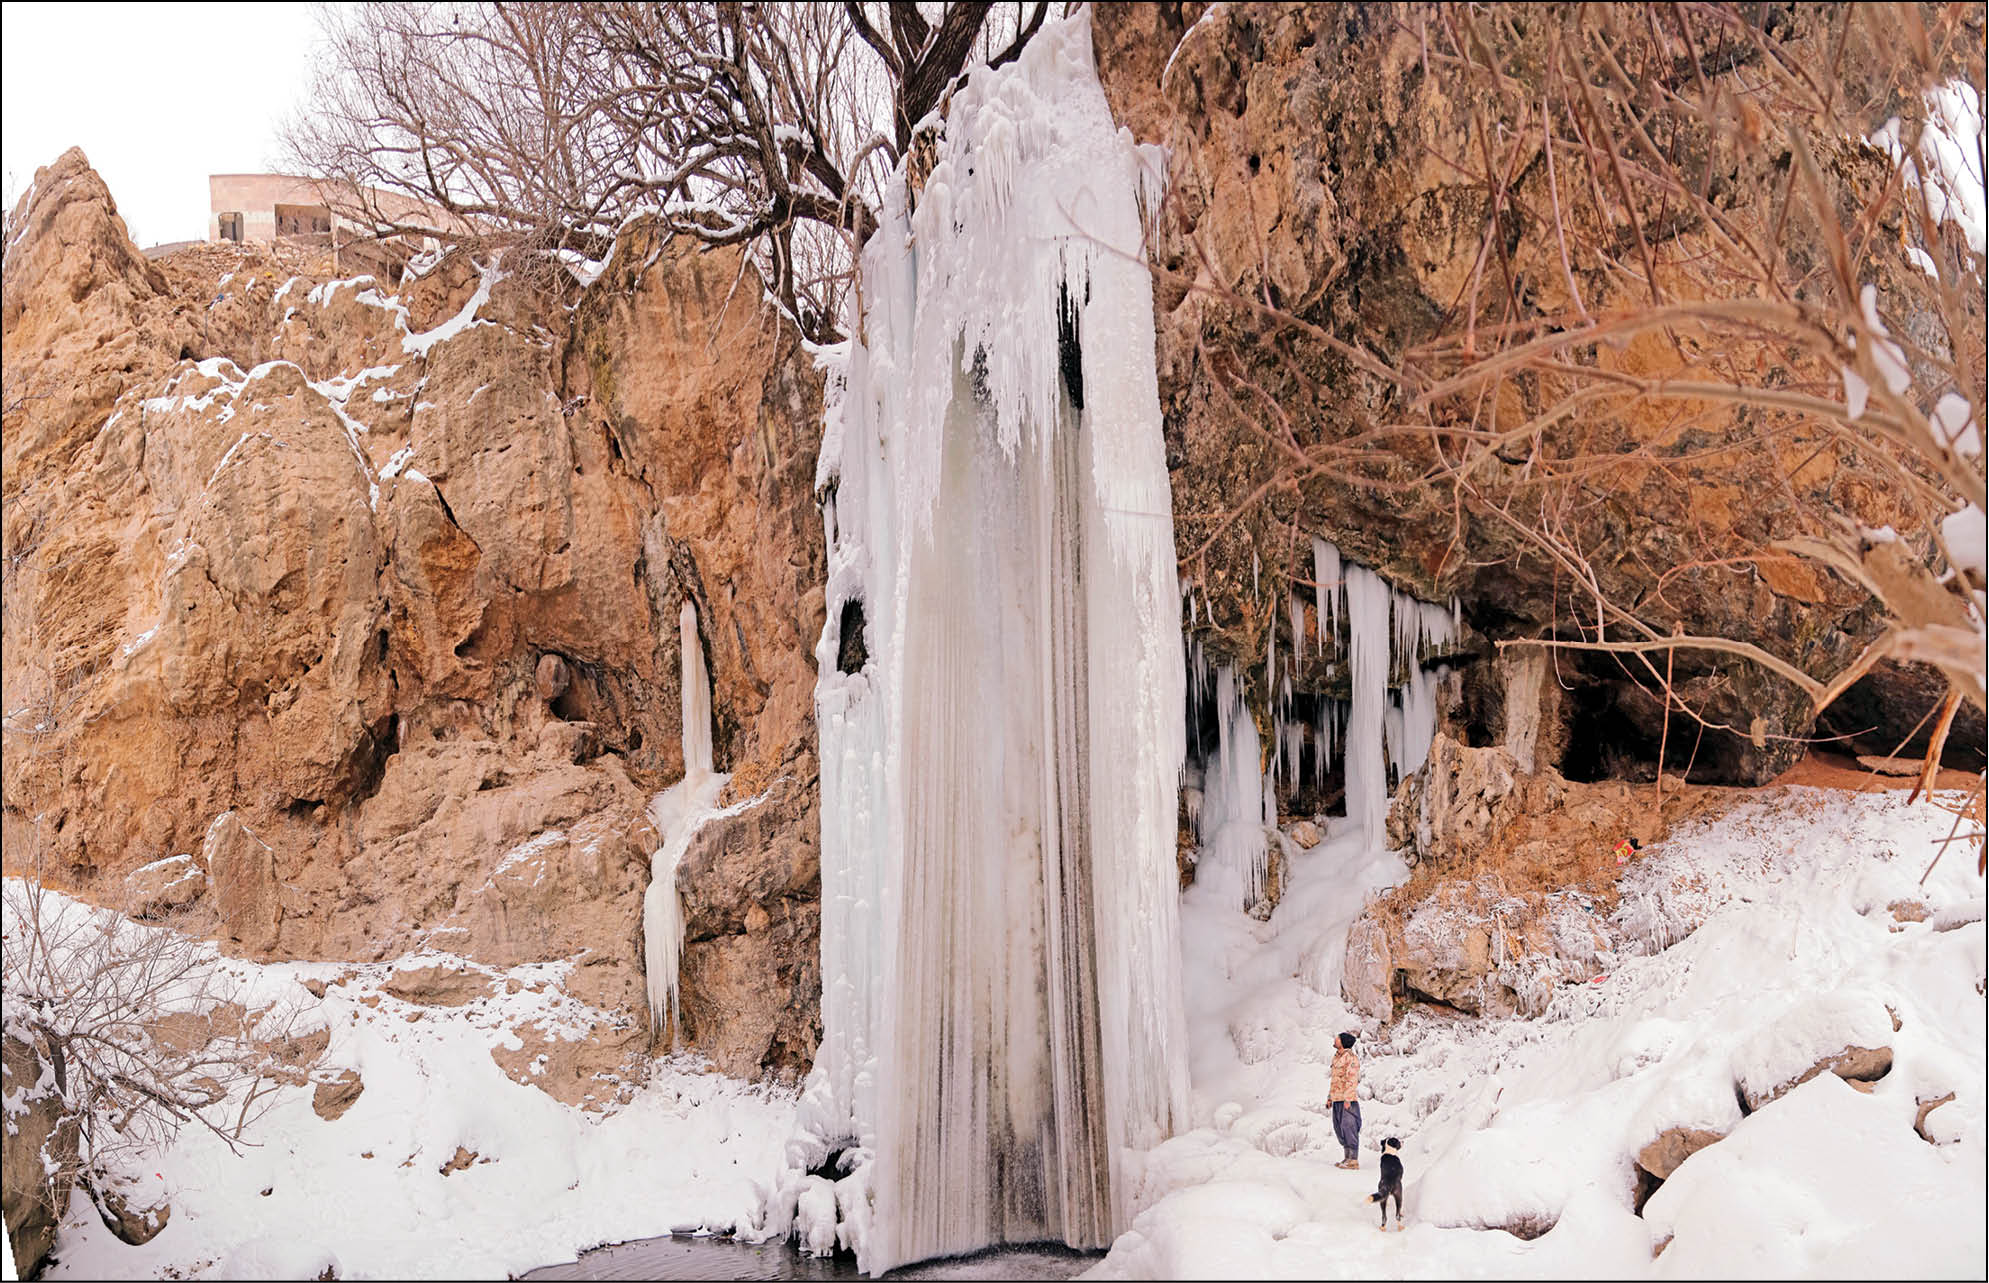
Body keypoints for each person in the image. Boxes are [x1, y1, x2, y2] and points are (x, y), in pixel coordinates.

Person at [1330, 1030, 1362, 1169]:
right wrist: (1330, 1098)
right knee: (1339, 1128)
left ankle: (1353, 1160)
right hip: (1337, 1098)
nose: (1335, 1039)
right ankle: (1347, 1158)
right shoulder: (1337, 1057)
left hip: (1347, 1100)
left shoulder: (1351, 1058)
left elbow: (1352, 1079)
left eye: (1337, 1038)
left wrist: (1348, 1098)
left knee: (1349, 1128)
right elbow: (1335, 1080)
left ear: (1343, 1042)